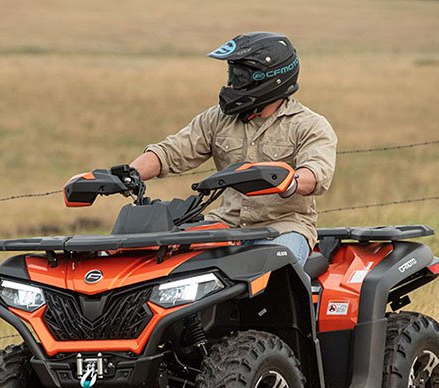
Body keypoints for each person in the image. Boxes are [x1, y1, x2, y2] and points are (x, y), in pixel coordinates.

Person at [129, 31, 337, 266]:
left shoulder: (309, 125)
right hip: (225, 225)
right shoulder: (218, 119)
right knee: (167, 263)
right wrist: (129, 174)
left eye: (240, 77)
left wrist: (290, 181)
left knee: (274, 268)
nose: (232, 85)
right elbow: (171, 152)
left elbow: (317, 172)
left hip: (283, 228)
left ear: (270, 79)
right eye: (232, 75)